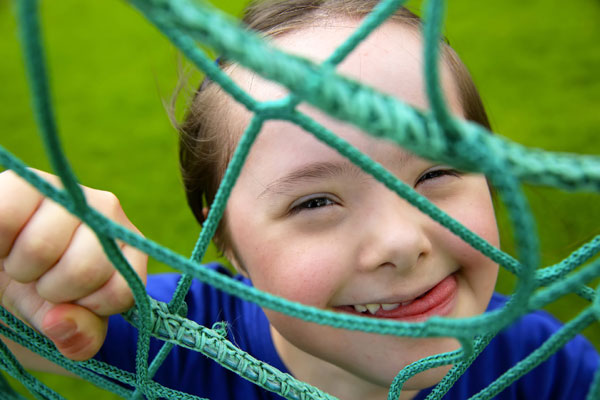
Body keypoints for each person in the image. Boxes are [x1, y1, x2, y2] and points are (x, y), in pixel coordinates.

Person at [0, 1, 597, 399]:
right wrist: (28, 268)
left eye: (437, 171)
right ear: (224, 241)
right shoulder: (176, 334)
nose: (401, 242)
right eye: (315, 203)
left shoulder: (547, 364)